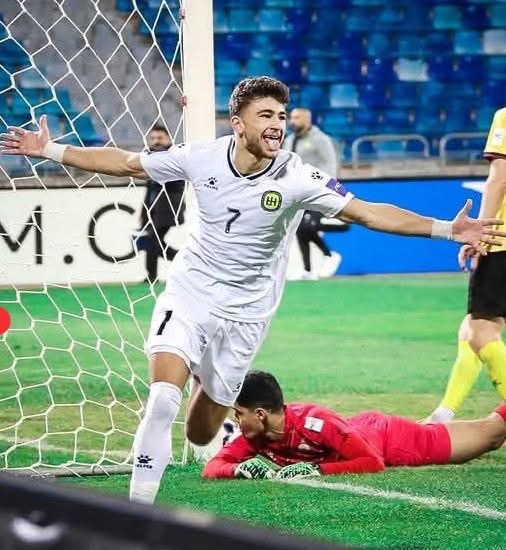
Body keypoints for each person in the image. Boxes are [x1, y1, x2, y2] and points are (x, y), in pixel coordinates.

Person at [0, 77, 503, 505]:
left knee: (200, 431)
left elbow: (368, 212)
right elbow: (130, 163)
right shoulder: (202, 157)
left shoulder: (297, 176)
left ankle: (202, 376)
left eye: (281, 115)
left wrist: (446, 229)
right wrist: (51, 150)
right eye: (266, 115)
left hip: (247, 313)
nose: (277, 124)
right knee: (162, 399)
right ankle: (137, 517)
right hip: (193, 293)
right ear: (237, 123)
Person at [203, 370, 506, 480]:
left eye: (238, 413)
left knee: (492, 434)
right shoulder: (254, 437)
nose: (235, 420)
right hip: (357, 430)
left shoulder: (315, 422)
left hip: (388, 439)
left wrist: (317, 470)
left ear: (260, 414)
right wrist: (237, 470)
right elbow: (213, 467)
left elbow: (373, 463)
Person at [427, 107, 506, 424]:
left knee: (480, 331)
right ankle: (443, 415)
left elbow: (499, 177)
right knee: (471, 329)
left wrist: (481, 233)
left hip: (502, 239)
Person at [284, 108, 343, 280]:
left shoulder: (320, 139)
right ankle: (308, 270)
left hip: (317, 190)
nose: (292, 121)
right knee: (300, 229)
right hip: (298, 192)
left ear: (307, 119)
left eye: (297, 118)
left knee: (306, 226)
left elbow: (330, 165)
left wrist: (331, 190)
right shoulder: (289, 140)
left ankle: (329, 255)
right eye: (291, 118)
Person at [140, 124, 185, 284]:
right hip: (153, 209)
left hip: (168, 208)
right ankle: (152, 275)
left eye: (160, 138)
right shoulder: (149, 159)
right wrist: (143, 212)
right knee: (153, 241)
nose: (156, 141)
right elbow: (149, 191)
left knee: (153, 240)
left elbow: (177, 185)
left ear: (169, 139)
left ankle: (183, 262)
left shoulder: (175, 157)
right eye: (153, 138)